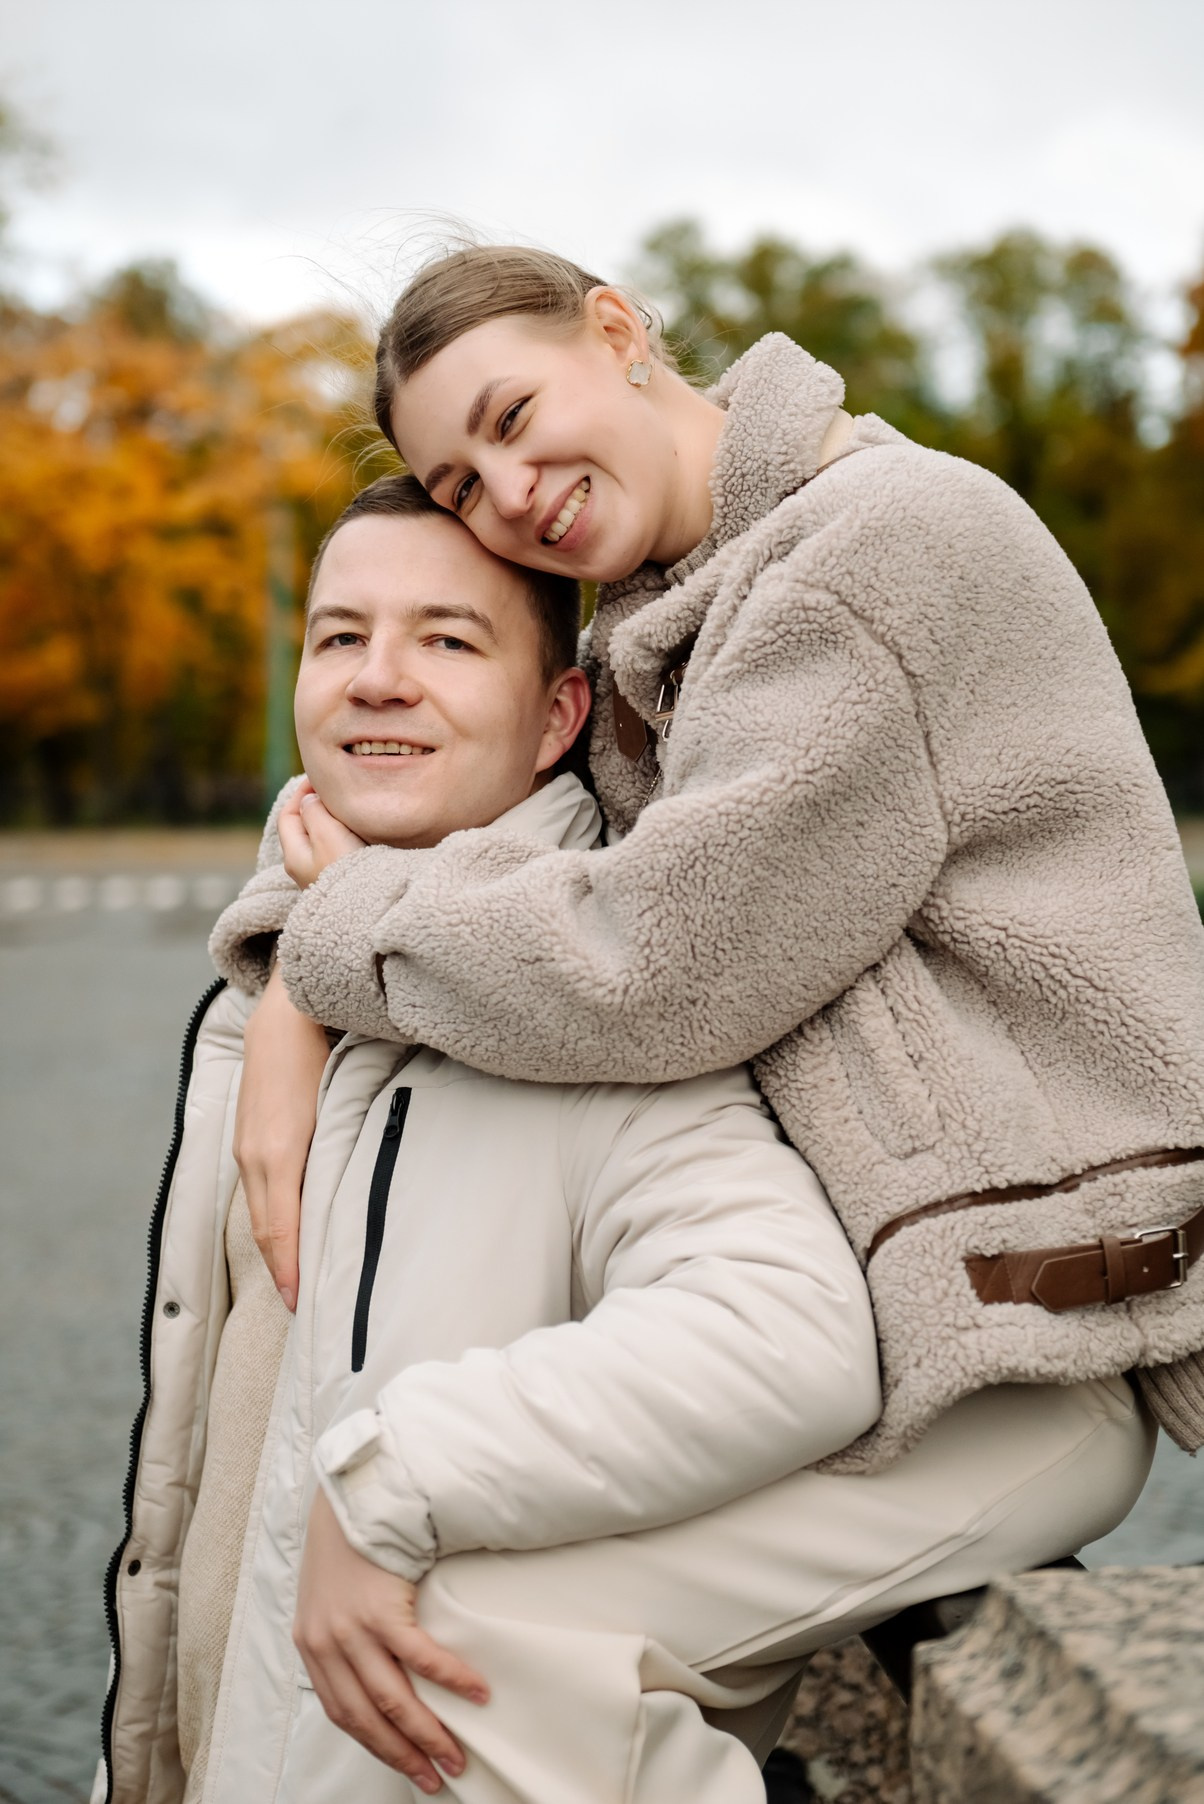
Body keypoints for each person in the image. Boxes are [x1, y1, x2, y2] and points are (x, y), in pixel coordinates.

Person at [222, 243, 1204, 1477]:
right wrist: (288, 989)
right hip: (922, 1312)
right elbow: (428, 796)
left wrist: (328, 945)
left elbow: (656, 962)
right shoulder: (661, 607)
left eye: (513, 418)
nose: (512, 493)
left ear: (619, 332)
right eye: (460, 484)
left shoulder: (866, 553)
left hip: (1026, 1327)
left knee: (446, 1605)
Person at [99, 474, 893, 1804]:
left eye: (448, 641)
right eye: (341, 635)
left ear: (556, 718)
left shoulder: (598, 1024)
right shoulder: (267, 987)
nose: (378, 679)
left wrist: (398, 1474)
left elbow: (790, 1332)